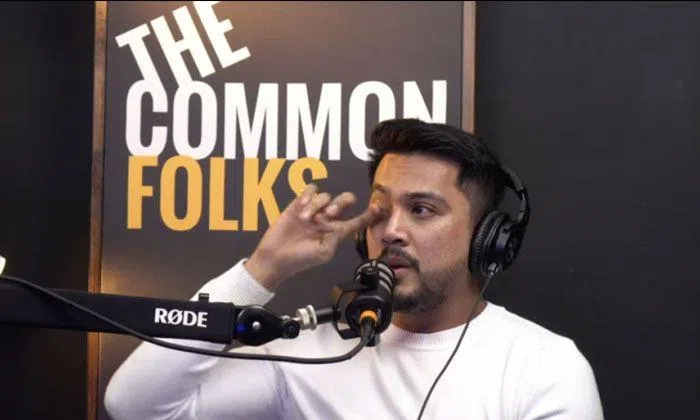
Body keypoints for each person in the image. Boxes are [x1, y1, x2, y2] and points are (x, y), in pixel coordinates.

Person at [104, 118, 604, 419]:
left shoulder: (543, 367)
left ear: (485, 236)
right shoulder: (309, 354)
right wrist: (260, 271)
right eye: (381, 209)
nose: (392, 230)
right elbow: (136, 406)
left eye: (422, 210)